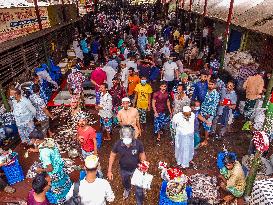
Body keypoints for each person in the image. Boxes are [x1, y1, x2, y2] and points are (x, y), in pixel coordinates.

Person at [28, 130, 71, 204]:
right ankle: (68, 189)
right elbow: (42, 147)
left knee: (57, 188)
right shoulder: (48, 140)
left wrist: (40, 169)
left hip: (54, 172)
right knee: (63, 181)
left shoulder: (44, 154)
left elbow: (50, 168)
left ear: (37, 140)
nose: (31, 142)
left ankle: (61, 200)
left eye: (32, 140)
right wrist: (35, 150)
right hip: (59, 167)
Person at [107, 126, 146, 205]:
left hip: (137, 169)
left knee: (139, 187)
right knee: (125, 181)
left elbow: (142, 154)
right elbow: (112, 155)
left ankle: (139, 200)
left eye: (128, 133)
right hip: (124, 169)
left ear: (132, 134)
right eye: (124, 133)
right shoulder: (118, 143)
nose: (126, 135)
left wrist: (144, 163)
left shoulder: (138, 143)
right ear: (122, 134)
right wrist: (109, 170)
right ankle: (127, 189)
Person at [198, 79, 220, 146]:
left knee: (207, 126)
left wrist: (209, 114)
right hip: (203, 110)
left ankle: (205, 140)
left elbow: (214, 105)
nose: (210, 85)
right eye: (209, 84)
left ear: (215, 85)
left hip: (209, 113)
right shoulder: (206, 91)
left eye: (212, 84)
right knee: (201, 123)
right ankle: (201, 136)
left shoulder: (216, 94)